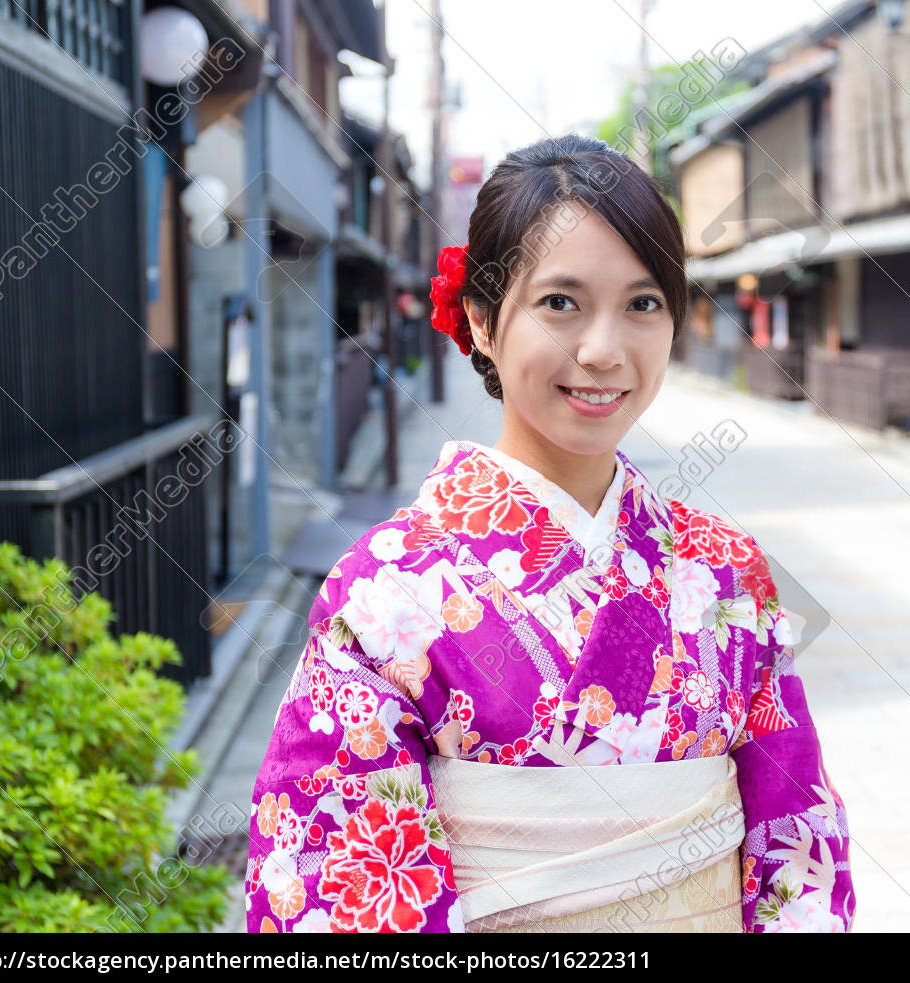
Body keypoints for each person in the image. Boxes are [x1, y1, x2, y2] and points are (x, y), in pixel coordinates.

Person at [245, 135, 855, 933]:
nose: (604, 351)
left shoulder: (728, 571)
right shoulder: (384, 590)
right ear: (484, 323)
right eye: (560, 302)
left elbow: (797, 836)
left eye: (643, 304)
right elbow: (341, 884)